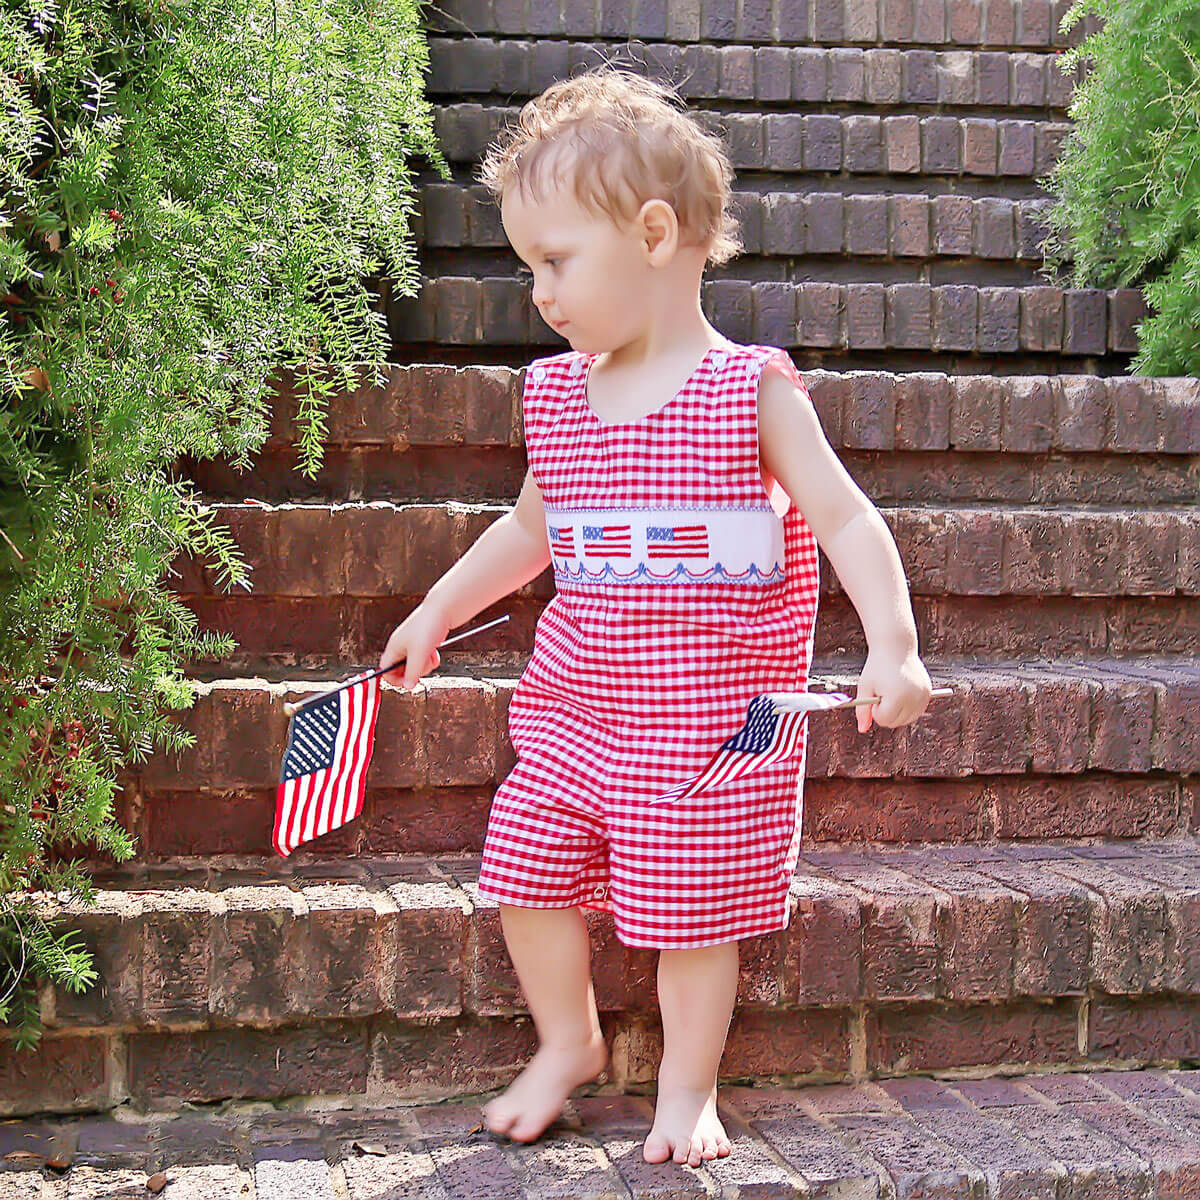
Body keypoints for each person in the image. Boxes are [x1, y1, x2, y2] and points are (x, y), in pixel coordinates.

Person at [379, 64, 934, 1169]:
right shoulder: (556, 394)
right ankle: (568, 1042)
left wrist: (895, 643)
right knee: (523, 872)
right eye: (528, 263)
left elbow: (846, 519)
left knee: (695, 918)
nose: (539, 289)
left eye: (555, 260)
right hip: (578, 708)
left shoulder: (751, 392)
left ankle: (688, 1088)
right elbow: (530, 532)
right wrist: (438, 607)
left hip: (715, 726)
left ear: (652, 232)